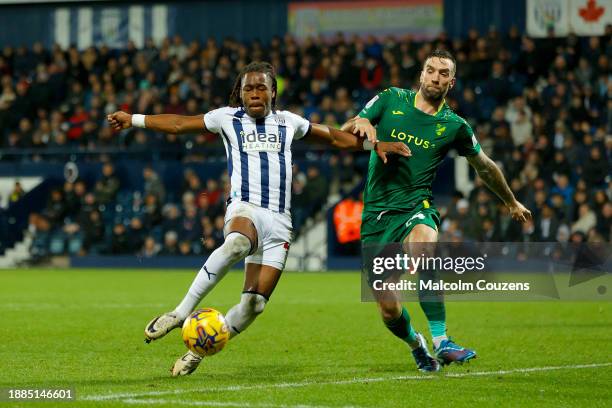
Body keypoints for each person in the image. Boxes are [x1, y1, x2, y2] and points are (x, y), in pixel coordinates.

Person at [107, 61, 409, 376]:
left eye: (261, 87)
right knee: (237, 243)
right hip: (245, 208)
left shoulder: (288, 122)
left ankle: (198, 351)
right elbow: (181, 124)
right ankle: (180, 312)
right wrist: (134, 119)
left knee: (254, 305)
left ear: (272, 92)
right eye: (248, 88)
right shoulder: (226, 118)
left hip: (280, 223)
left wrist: (375, 145)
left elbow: (334, 137)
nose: (254, 93)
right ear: (240, 93)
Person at [342, 50, 531, 372]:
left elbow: (484, 167)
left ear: (451, 82)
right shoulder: (390, 99)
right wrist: (360, 124)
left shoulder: (454, 125)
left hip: (416, 205)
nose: (435, 77)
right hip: (375, 214)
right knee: (388, 309)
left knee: (424, 248)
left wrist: (510, 201)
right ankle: (417, 344)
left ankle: (442, 340)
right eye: (431, 70)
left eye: (443, 73)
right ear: (421, 74)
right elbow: (345, 134)